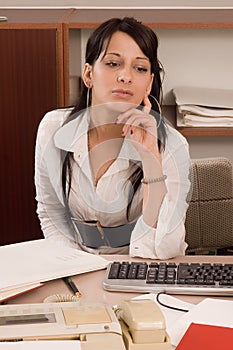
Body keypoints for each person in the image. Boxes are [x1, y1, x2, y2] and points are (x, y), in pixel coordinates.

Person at [35, 17, 191, 259]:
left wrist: (151, 160)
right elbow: (50, 213)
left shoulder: (172, 144)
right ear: (88, 75)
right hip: (74, 263)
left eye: (139, 68)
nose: (125, 77)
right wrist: (73, 265)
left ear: (149, 83)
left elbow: (166, 245)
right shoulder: (53, 128)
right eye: (113, 63)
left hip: (141, 263)